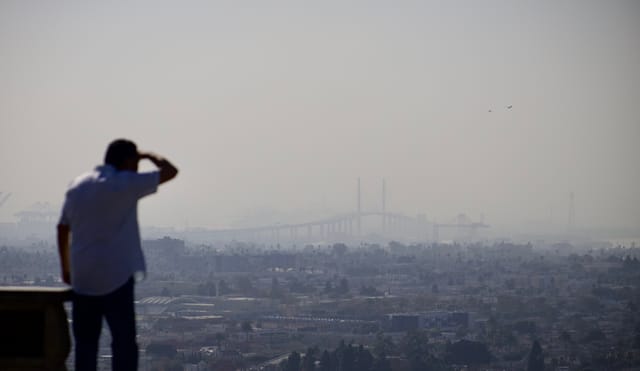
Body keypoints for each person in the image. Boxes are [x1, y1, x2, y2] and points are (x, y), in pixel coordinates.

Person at [57, 139, 178, 371]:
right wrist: (148, 154)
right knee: (123, 344)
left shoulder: (77, 186)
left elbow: (62, 228)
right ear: (128, 161)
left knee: (85, 345)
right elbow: (171, 172)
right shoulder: (126, 183)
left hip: (83, 277)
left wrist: (66, 269)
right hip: (117, 276)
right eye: (135, 163)